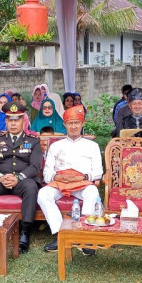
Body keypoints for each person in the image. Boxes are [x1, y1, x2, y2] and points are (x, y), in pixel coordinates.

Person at [0, 102, 42, 253]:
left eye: (16, 120)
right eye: (10, 120)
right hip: (1, 181)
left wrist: (18, 177)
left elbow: (35, 166)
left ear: (23, 121)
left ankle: (25, 232)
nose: (13, 123)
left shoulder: (33, 141)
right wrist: (0, 177)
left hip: (22, 182)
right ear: (6, 121)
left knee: (31, 187)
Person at [39, 105, 103, 254]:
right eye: (70, 123)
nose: (73, 127)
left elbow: (98, 171)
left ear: (83, 124)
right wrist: (57, 176)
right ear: (65, 124)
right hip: (61, 183)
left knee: (93, 191)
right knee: (43, 194)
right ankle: (60, 233)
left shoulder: (92, 146)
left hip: (82, 183)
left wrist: (84, 177)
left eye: (77, 123)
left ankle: (83, 235)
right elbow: (47, 171)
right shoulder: (56, 146)